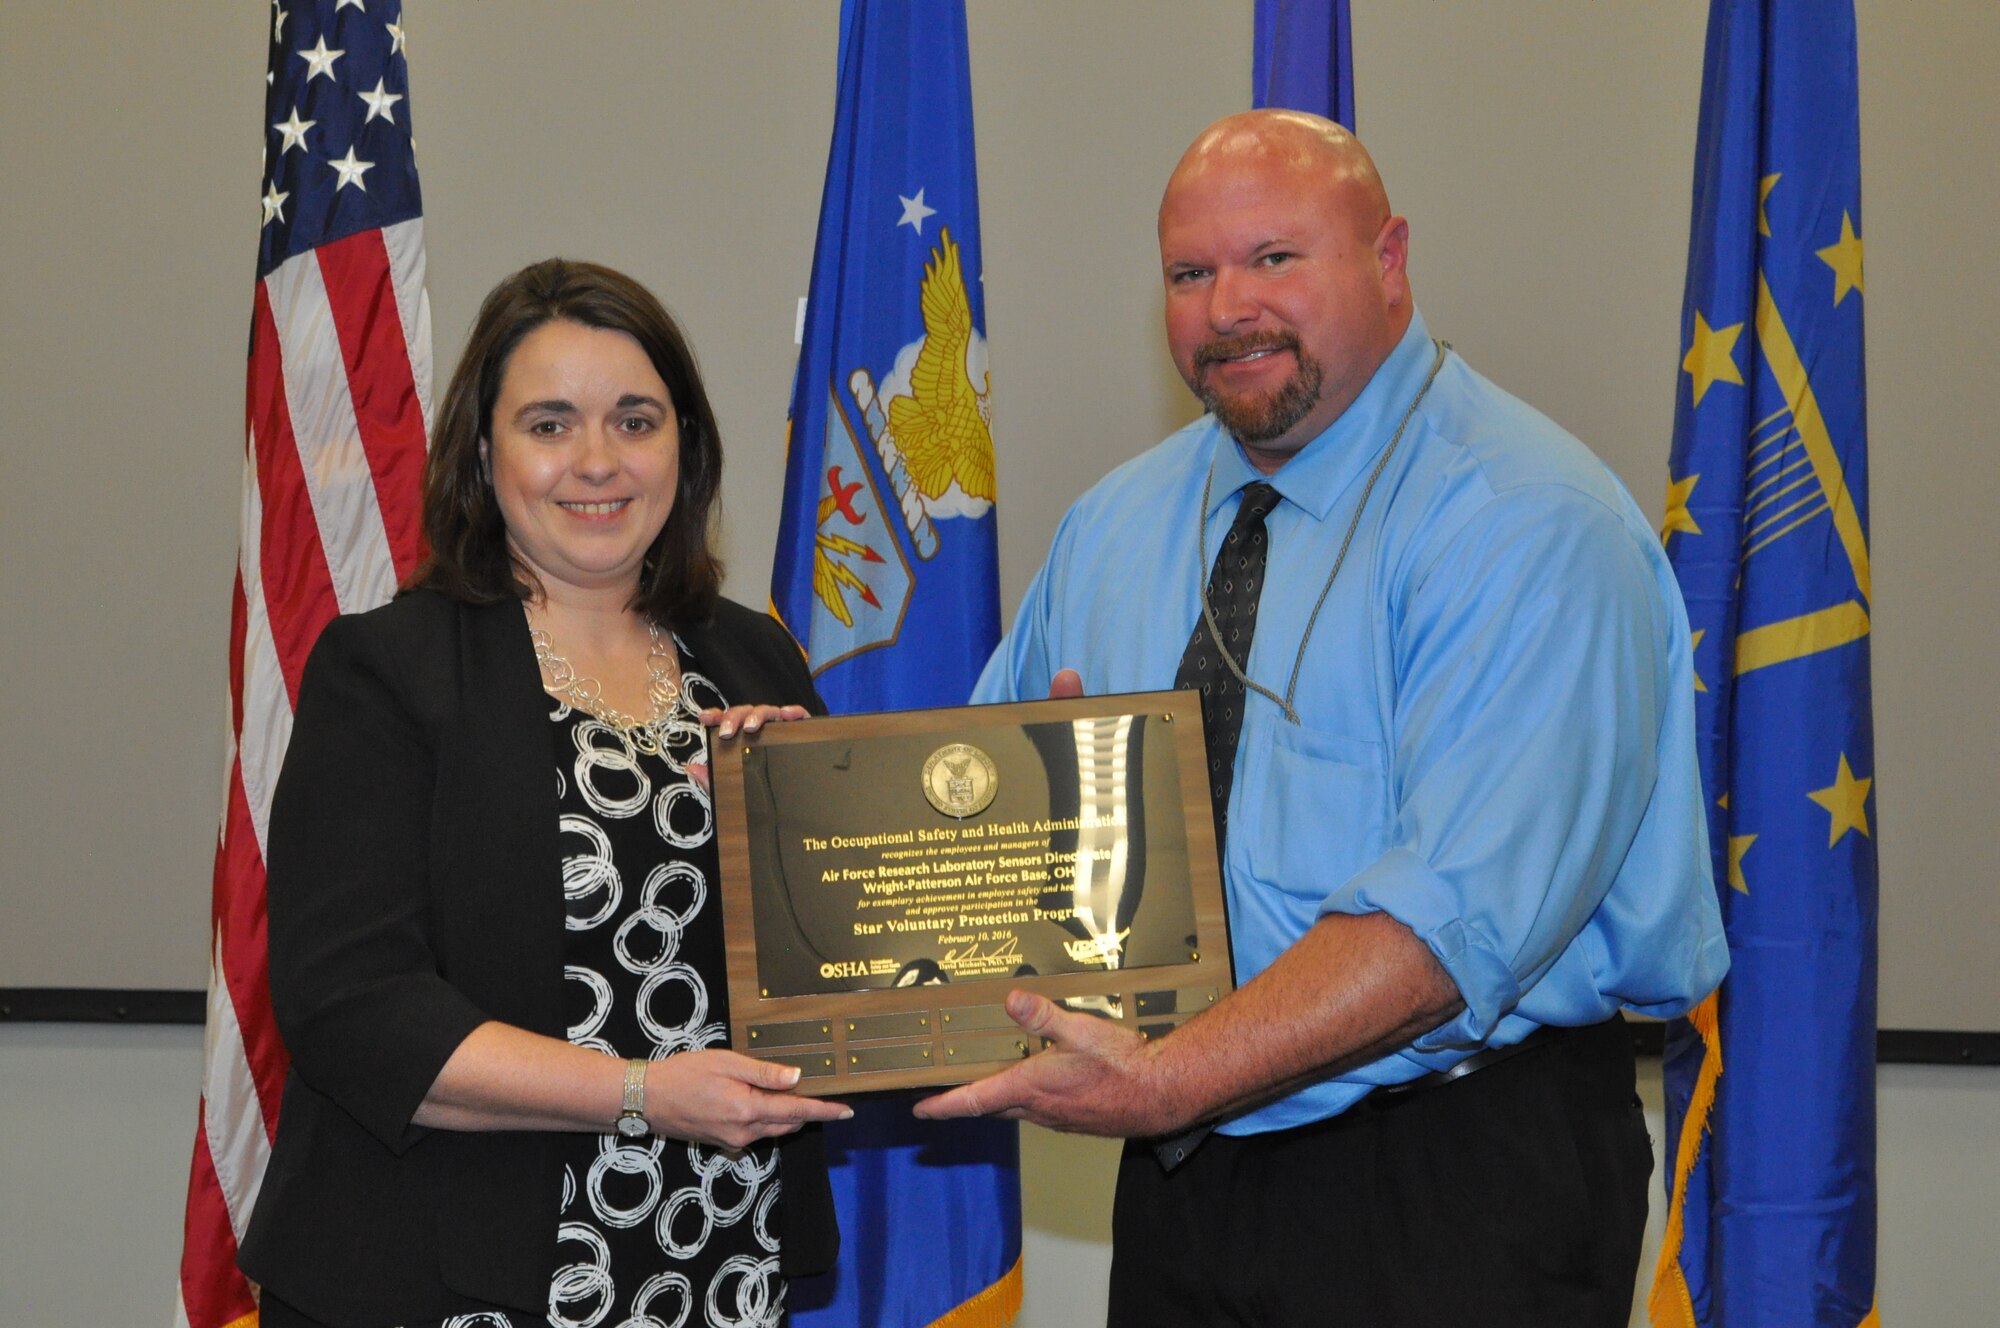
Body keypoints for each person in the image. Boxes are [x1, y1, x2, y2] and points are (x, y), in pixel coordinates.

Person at [914, 111, 1730, 1325]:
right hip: (1186, 1162)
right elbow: (964, 810)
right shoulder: (1115, 525)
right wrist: (807, 802)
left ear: (1388, 258)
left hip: (1455, 1171)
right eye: (1189, 274)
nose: (1226, 306)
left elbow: (1451, 925)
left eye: (1273, 259)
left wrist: (1168, 1079)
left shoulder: (1527, 523)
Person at [239, 259, 849, 1327]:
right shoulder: (389, 671)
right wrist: (641, 1094)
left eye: (635, 419)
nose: (598, 461)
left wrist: (816, 826)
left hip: (711, 1254)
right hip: (439, 1276)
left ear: (685, 446)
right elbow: (353, 1008)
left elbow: (850, 971)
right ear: (484, 453)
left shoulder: (755, 664)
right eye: (551, 423)